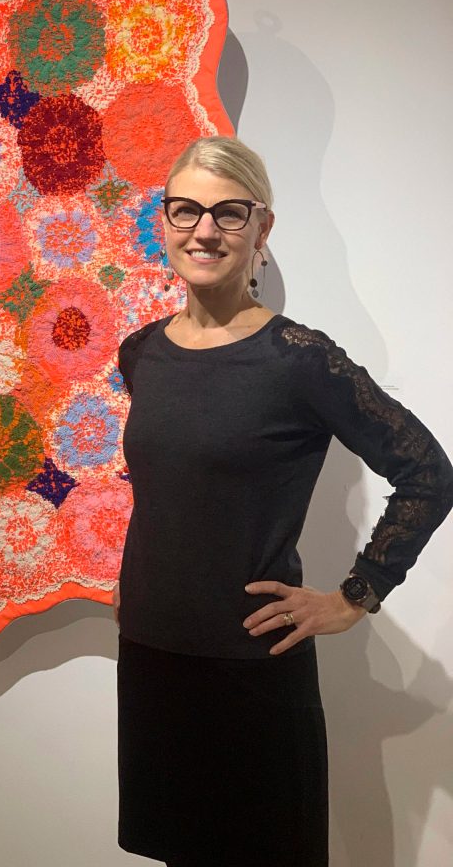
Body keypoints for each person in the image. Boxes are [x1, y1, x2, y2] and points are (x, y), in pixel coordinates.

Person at [112, 136, 453, 867]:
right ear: (163, 221)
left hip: (252, 670)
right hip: (150, 655)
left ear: (262, 229)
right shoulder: (140, 353)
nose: (205, 230)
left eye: (228, 213)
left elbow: (429, 472)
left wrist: (355, 596)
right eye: (186, 210)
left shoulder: (298, 359)